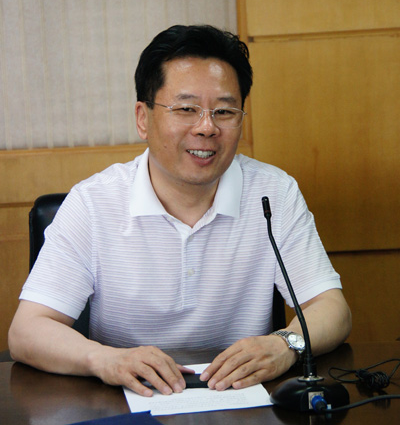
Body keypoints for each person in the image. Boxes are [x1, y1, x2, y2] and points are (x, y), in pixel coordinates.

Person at [8, 25, 351, 398]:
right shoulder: (93, 203)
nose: (207, 128)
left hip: (241, 400)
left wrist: (286, 343)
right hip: (129, 403)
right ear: (143, 118)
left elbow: (332, 308)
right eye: (186, 109)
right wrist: (105, 359)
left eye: (224, 111)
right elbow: (27, 331)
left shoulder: (274, 194)